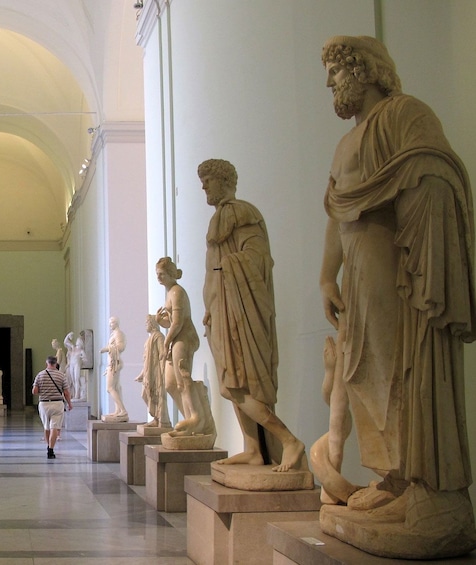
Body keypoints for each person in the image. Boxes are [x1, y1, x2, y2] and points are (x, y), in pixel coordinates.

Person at [316, 36, 475, 556]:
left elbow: (438, 173)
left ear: (366, 72)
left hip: (398, 269)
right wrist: (325, 277)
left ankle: (433, 492)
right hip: (359, 280)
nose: (330, 83)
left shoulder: (406, 115)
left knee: (404, 372)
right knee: (367, 374)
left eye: (338, 72)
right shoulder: (345, 145)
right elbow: (337, 217)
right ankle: (396, 480)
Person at [199, 160, 304, 472]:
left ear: (225, 180)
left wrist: (226, 270)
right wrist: (210, 305)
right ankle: (254, 449)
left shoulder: (241, 212)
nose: (204, 187)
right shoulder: (219, 218)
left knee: (237, 385)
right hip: (221, 308)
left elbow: (257, 259)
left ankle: (289, 440)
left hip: (239, 309)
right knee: (231, 384)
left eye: (208, 180)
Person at [155, 257, 215, 439]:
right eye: (157, 274)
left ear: (172, 274)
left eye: (162, 274)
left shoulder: (177, 292)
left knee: (183, 378)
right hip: (175, 338)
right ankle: (190, 419)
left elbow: (179, 323)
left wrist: (166, 343)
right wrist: (160, 321)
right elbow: (171, 322)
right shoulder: (169, 293)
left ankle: (197, 417)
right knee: (170, 384)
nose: (159, 277)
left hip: (184, 338)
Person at [32, 356, 71, 459]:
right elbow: (66, 392)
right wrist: (70, 404)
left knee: (46, 427)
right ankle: (51, 450)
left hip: (44, 404)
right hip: (58, 403)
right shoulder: (61, 375)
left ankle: (48, 446)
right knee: (54, 427)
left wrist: (44, 390)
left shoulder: (40, 375)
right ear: (56, 363)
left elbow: (34, 391)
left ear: (47, 363)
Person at [136, 314, 169, 428]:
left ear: (152, 324)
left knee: (157, 395)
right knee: (145, 394)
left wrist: (161, 371)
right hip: (148, 371)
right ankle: (156, 418)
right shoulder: (149, 339)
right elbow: (146, 360)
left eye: (147, 323)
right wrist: (142, 374)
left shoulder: (158, 337)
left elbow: (162, 354)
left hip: (156, 371)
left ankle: (161, 421)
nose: (145, 325)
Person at [100, 317, 127, 420]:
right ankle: (118, 410)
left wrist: (106, 348)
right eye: (110, 323)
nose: (110, 325)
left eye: (111, 323)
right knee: (116, 387)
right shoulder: (114, 334)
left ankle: (123, 410)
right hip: (112, 363)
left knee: (110, 388)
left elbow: (121, 347)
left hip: (115, 363)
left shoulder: (118, 334)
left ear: (116, 323)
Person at [64, 331, 86, 401]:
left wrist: (82, 360)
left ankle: (77, 394)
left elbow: (85, 359)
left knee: (76, 379)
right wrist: (68, 335)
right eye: (77, 344)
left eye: (79, 344)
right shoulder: (73, 349)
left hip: (77, 364)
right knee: (73, 379)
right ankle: (75, 393)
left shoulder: (81, 351)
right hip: (72, 365)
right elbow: (66, 342)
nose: (77, 345)